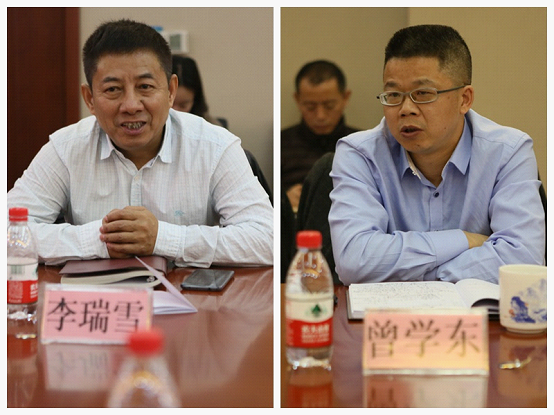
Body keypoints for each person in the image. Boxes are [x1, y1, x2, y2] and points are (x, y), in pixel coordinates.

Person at [7, 19, 273, 267]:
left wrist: (163, 238)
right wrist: (100, 240)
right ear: (89, 99)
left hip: (192, 298)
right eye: (113, 89)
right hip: (95, 297)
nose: (131, 105)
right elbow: (7, 232)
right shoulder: (65, 149)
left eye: (145, 86)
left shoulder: (215, 146)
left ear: (170, 91)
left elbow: (267, 238)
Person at [329, 24, 545, 285]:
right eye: (394, 94)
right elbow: (354, 261)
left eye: (423, 94)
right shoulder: (359, 154)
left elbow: (523, 260)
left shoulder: (508, 152)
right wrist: (464, 240)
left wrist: (426, 275)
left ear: (464, 99)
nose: (406, 109)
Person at [281, 60, 358, 211]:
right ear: (297, 100)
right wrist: (283, 200)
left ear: (345, 98)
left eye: (329, 106)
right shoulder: (280, 144)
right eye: (310, 107)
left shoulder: (363, 144)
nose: (320, 116)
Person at [171, 55, 223, 127]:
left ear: (195, 100)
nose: (175, 112)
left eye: (183, 106)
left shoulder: (210, 127)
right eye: (169, 103)